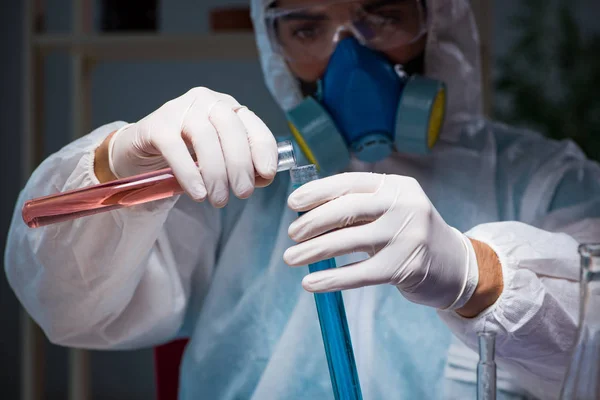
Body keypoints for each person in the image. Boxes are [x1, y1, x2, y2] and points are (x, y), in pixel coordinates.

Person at [5, 0, 600, 398]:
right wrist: (113, 163)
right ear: (276, 44)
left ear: (437, 21)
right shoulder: (237, 182)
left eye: (382, 15)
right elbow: (71, 307)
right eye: (308, 28)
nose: (349, 58)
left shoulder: (542, 177)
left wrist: (482, 275)